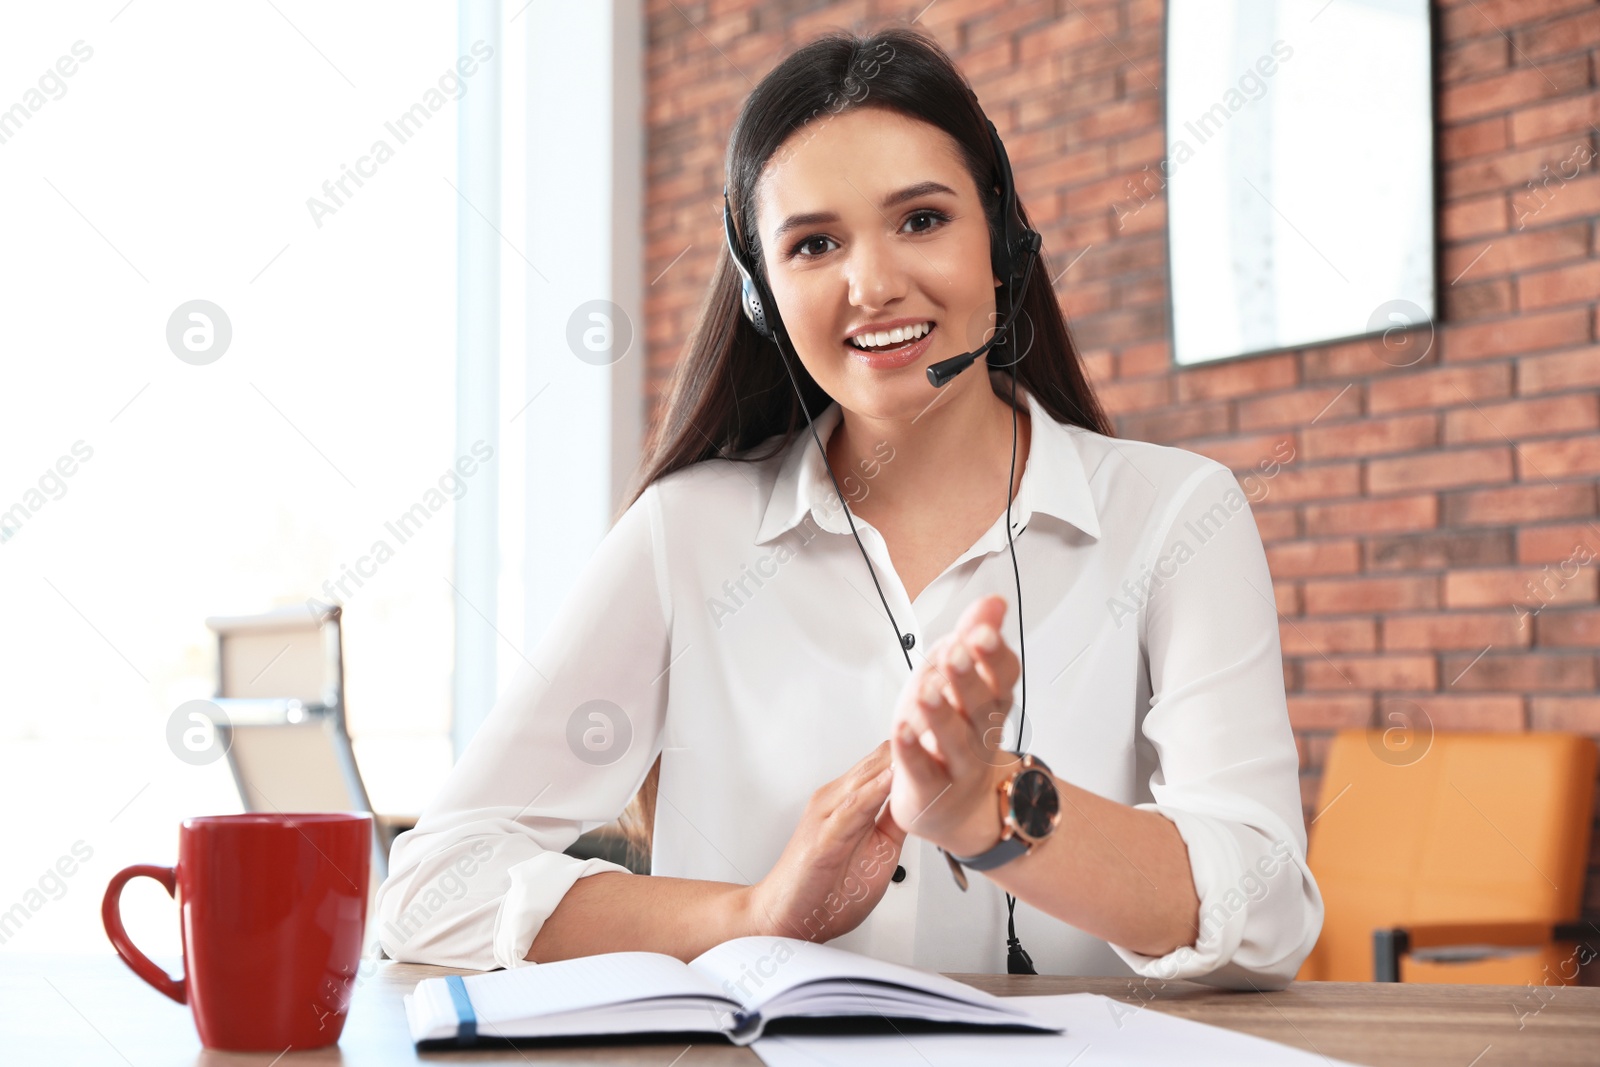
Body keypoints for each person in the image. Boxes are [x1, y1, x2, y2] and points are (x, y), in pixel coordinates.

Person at [373, 26, 1323, 990]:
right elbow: (429, 885)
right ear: (762, 297)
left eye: (921, 219)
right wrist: (755, 913)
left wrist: (994, 810)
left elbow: (1266, 908)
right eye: (814, 243)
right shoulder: (688, 533)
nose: (872, 284)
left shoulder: (1174, 516)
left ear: (1000, 238)